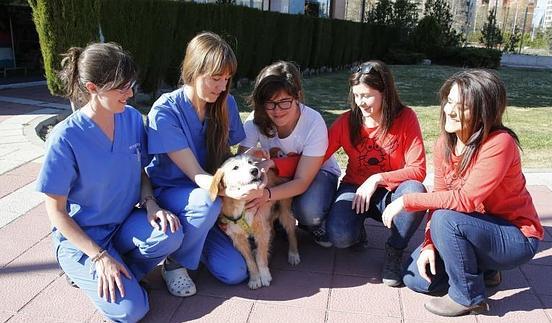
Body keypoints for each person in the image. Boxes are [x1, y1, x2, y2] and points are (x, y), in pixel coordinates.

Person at [36, 43, 183, 323]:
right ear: (92, 88)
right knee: (131, 311)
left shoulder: (131, 119)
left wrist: (151, 204)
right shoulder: (65, 139)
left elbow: (140, 171)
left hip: (124, 223)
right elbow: (56, 212)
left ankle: (121, 272)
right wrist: (99, 256)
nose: (130, 94)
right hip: (84, 237)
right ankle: (95, 271)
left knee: (171, 233)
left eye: (131, 85)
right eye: (121, 88)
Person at [382, 70, 543, 316]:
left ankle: (467, 296)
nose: (450, 110)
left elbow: (465, 200)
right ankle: (485, 270)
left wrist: (406, 200)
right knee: (416, 278)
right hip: (472, 228)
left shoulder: (500, 143)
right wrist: (429, 244)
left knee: (447, 219)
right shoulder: (444, 144)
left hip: (515, 236)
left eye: (463, 106)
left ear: (484, 112)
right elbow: (441, 197)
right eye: (449, 100)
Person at [271, 60, 427, 287]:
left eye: (367, 95)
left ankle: (395, 249)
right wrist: (276, 165)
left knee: (415, 191)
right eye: (356, 95)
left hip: (392, 190)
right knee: (339, 236)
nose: (361, 102)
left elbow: (418, 169)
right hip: (354, 190)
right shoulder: (347, 121)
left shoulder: (405, 118)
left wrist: (377, 178)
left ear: (385, 92)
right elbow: (316, 157)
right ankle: (357, 232)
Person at [145, 31, 261, 296]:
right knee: (206, 202)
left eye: (227, 79)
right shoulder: (165, 111)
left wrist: (252, 170)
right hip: (176, 193)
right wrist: (233, 191)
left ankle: (194, 241)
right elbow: (196, 174)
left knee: (235, 274)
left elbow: (236, 154)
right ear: (194, 70)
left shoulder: (225, 103)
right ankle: (173, 263)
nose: (222, 86)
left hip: (209, 199)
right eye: (216, 78)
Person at [238, 61, 340, 247]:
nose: (277, 111)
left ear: (297, 97)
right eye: (269, 103)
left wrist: (266, 195)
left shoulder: (313, 122)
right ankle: (275, 221)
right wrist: (252, 159)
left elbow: (302, 180)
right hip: (278, 175)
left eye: (284, 102)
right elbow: (241, 162)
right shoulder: (255, 119)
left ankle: (314, 222)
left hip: (316, 175)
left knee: (310, 211)